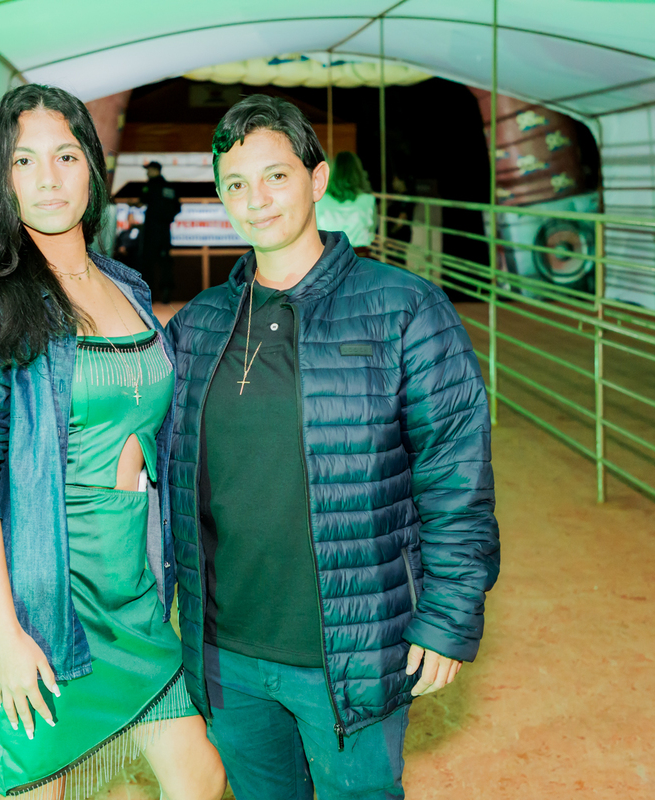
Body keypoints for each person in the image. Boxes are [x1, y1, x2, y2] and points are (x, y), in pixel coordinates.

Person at [165, 95, 500, 798]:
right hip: (226, 651)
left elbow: (455, 473)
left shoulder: (404, 309)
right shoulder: (199, 324)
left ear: (317, 180)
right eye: (236, 184)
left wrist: (447, 616)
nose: (256, 200)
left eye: (276, 176)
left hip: (349, 648)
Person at [0, 84, 225, 800]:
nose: (48, 179)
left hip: (133, 587)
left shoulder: (128, 286)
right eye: (23, 161)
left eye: (65, 155)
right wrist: (4, 634)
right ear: (1, 179)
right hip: (43, 595)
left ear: (92, 165)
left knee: (201, 777)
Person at [315, 151, 376, 255]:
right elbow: (371, 233)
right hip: (359, 256)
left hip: (329, 256)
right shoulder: (368, 200)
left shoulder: (320, 200)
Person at [137, 161, 182, 303]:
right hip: (165, 230)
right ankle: (166, 292)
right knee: (165, 262)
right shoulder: (169, 187)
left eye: (149, 170)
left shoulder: (150, 185)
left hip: (151, 230)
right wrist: (167, 217)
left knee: (147, 262)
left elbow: (142, 201)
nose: (147, 173)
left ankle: (147, 294)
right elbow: (177, 207)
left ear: (155, 170)